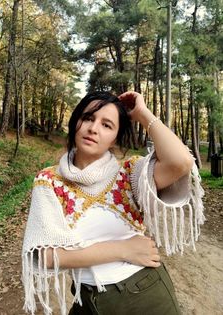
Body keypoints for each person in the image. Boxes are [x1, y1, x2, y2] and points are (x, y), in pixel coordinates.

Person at [22, 91, 205, 315]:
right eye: (88, 118)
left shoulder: (129, 174)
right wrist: (122, 250)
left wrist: (142, 113)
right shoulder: (49, 181)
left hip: (143, 292)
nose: (93, 128)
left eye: (107, 125)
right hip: (86, 298)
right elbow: (45, 257)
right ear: (76, 121)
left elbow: (181, 162)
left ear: (115, 138)